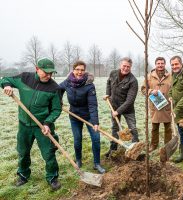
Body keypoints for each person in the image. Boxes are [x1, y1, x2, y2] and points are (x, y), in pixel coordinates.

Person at [0, 58, 62, 190]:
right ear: (37, 69)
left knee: (49, 153)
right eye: (46, 72)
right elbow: (5, 79)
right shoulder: (25, 78)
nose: (49, 75)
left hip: (43, 126)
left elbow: (57, 109)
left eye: (51, 73)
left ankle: (52, 177)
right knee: (23, 151)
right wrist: (6, 85)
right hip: (24, 125)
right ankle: (23, 175)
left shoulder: (55, 88)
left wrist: (47, 123)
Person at [60, 60, 105, 174]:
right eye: (77, 69)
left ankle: (97, 163)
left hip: (89, 115)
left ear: (85, 71)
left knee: (96, 139)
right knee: (77, 140)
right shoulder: (68, 82)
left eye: (82, 70)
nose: (79, 72)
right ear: (73, 70)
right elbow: (57, 90)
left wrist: (95, 122)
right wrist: (58, 101)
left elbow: (92, 105)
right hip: (74, 116)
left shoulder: (89, 84)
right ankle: (79, 160)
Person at [103, 57, 139, 157]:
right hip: (113, 105)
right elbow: (108, 83)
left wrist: (118, 111)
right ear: (120, 65)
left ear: (130, 67)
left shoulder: (133, 81)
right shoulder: (113, 73)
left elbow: (130, 100)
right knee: (115, 128)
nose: (126, 68)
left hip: (128, 109)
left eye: (128, 67)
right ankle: (113, 148)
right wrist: (107, 94)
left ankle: (136, 148)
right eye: (124, 66)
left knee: (133, 128)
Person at [141, 57, 172, 152]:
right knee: (154, 127)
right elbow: (143, 89)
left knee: (168, 127)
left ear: (165, 64)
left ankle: (168, 145)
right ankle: (154, 145)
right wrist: (150, 91)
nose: (160, 65)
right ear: (155, 65)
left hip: (167, 105)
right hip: (155, 106)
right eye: (158, 63)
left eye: (162, 63)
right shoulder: (149, 76)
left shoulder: (170, 76)